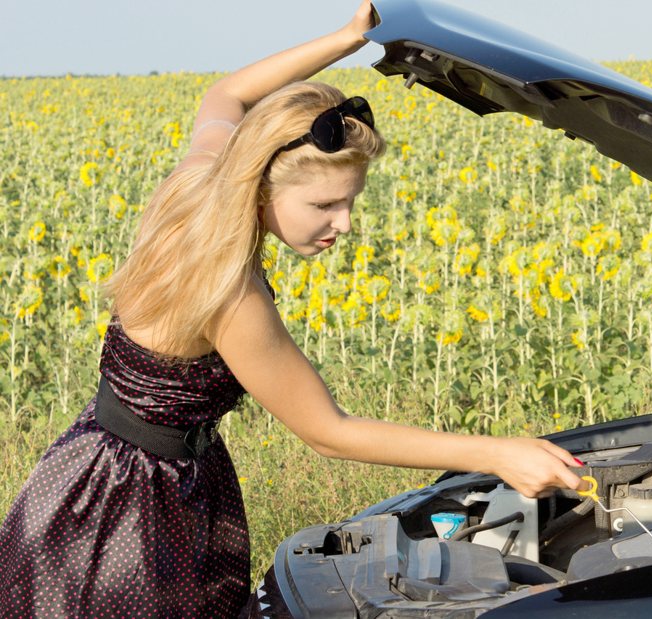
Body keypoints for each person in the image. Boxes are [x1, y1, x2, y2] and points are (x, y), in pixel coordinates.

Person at [0, 1, 584, 616]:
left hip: (93, 470)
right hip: (134, 511)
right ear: (263, 182)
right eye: (325, 205)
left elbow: (228, 93)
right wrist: (495, 452)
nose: (345, 224)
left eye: (350, 201)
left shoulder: (198, 182)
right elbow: (328, 433)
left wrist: (346, 38)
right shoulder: (225, 290)